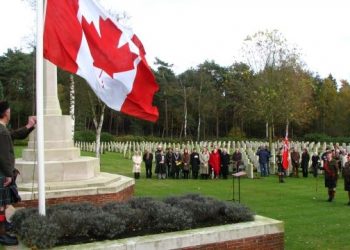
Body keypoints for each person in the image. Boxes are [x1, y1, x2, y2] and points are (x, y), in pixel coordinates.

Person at [0, 101, 36, 246]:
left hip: (3, 173)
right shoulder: (1, 131)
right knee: (1, 207)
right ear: (5, 113)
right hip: (2, 173)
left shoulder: (3, 130)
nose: (10, 113)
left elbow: (15, 134)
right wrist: (9, 174)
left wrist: (30, 126)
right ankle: (2, 235)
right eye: (9, 111)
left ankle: (3, 230)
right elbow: (3, 155)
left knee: (3, 205)